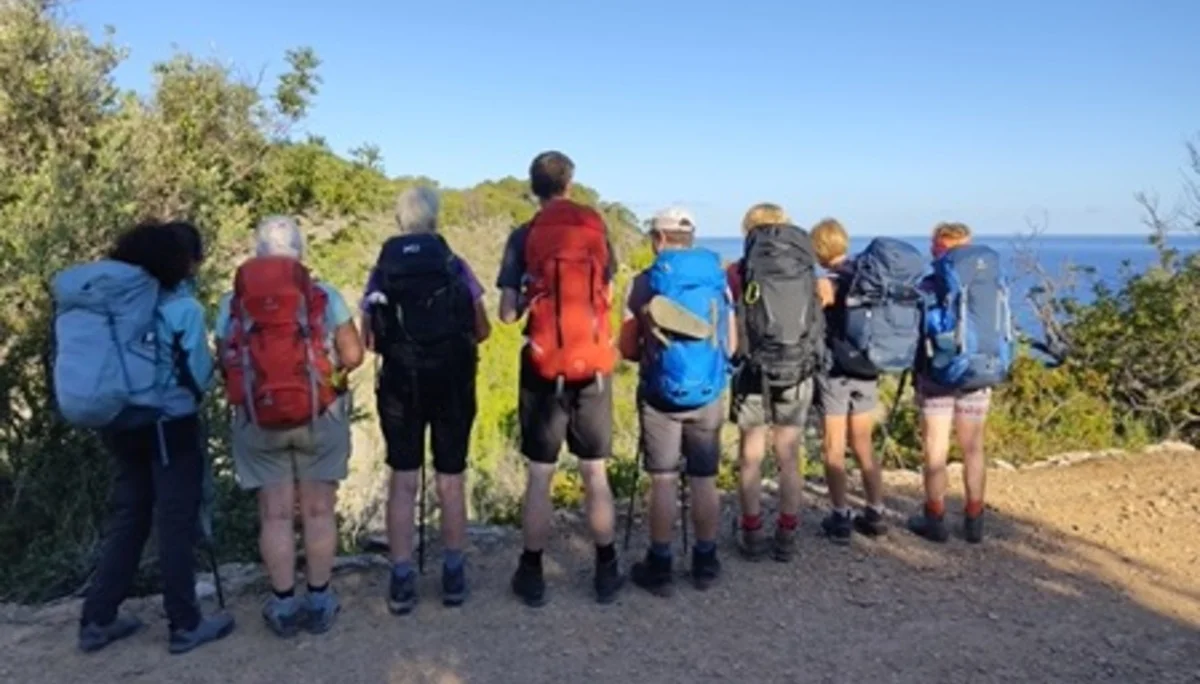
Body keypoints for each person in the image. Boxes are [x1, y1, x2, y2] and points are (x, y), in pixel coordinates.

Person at [70, 221, 235, 655]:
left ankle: (98, 616)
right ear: (182, 262)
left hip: (120, 422)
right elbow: (198, 375)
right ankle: (185, 623)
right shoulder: (184, 309)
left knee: (131, 516)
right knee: (175, 521)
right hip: (170, 425)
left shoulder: (117, 304)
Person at [215, 215, 364, 637]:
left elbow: (224, 359)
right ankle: (318, 600)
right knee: (318, 511)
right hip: (320, 414)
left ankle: (282, 605)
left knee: (275, 515)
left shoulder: (231, 303)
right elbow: (352, 356)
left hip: (258, 420)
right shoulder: (324, 295)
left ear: (257, 253)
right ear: (300, 252)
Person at [496, 150, 624, 607]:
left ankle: (531, 574)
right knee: (594, 472)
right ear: (570, 183)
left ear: (535, 188)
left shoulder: (523, 235)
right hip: (592, 364)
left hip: (542, 365)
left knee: (540, 474)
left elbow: (507, 315)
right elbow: (607, 292)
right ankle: (606, 571)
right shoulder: (596, 228)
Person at [362, 187, 490, 614]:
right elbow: (483, 328)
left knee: (403, 480)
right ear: (435, 220)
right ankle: (453, 576)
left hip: (400, 385)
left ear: (400, 221)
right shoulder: (455, 265)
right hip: (452, 382)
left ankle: (401, 580)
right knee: (450, 479)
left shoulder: (383, 271)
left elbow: (369, 339)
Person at [619, 207, 735, 595]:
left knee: (664, 479)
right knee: (704, 478)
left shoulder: (644, 282)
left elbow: (627, 347)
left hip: (660, 394)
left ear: (660, 239)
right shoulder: (718, 280)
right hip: (708, 393)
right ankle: (705, 561)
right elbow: (730, 345)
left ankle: (661, 564)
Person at [726, 203, 824, 562]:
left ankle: (751, 531)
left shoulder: (740, 271)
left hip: (754, 369)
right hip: (798, 366)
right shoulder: (805, 269)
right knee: (789, 454)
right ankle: (787, 532)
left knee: (750, 453)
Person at [907, 221, 1009, 544]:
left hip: (938, 374)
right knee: (973, 448)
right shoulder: (992, 283)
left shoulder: (930, 284)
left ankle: (935, 519)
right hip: (981, 370)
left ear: (938, 248)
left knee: (935, 450)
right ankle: (974, 520)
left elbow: (918, 329)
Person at [811, 219, 888, 544]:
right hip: (867, 368)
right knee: (863, 443)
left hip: (836, 372)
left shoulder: (826, 283)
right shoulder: (867, 278)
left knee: (833, 445)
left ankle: (840, 514)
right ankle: (875, 510)